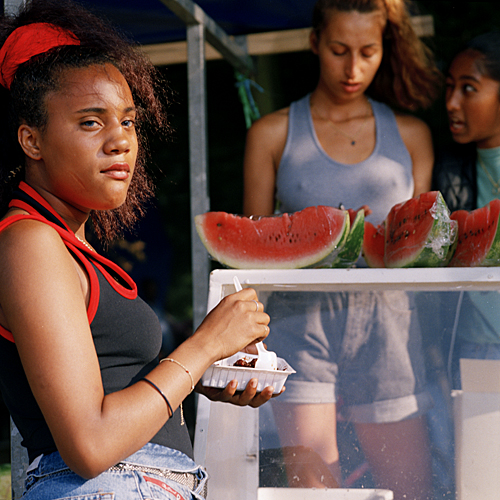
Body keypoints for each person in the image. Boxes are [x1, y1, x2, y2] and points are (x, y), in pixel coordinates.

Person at [0, 1, 280, 499]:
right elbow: (89, 443)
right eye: (91, 122)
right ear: (31, 140)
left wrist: (205, 377)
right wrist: (203, 347)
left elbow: (111, 397)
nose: (120, 142)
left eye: (128, 122)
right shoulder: (29, 241)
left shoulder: (68, 245)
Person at [243, 0, 441, 498]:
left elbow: (415, 246)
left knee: (409, 488)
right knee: (314, 490)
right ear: (314, 43)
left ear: (383, 50)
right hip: (298, 321)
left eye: (368, 52)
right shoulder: (271, 134)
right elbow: (252, 250)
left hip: (391, 319)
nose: (353, 69)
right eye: (338, 50)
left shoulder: (413, 135)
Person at [433, 30, 500, 377]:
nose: (452, 102)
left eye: (468, 88)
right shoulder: (446, 169)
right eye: (449, 87)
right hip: (475, 347)